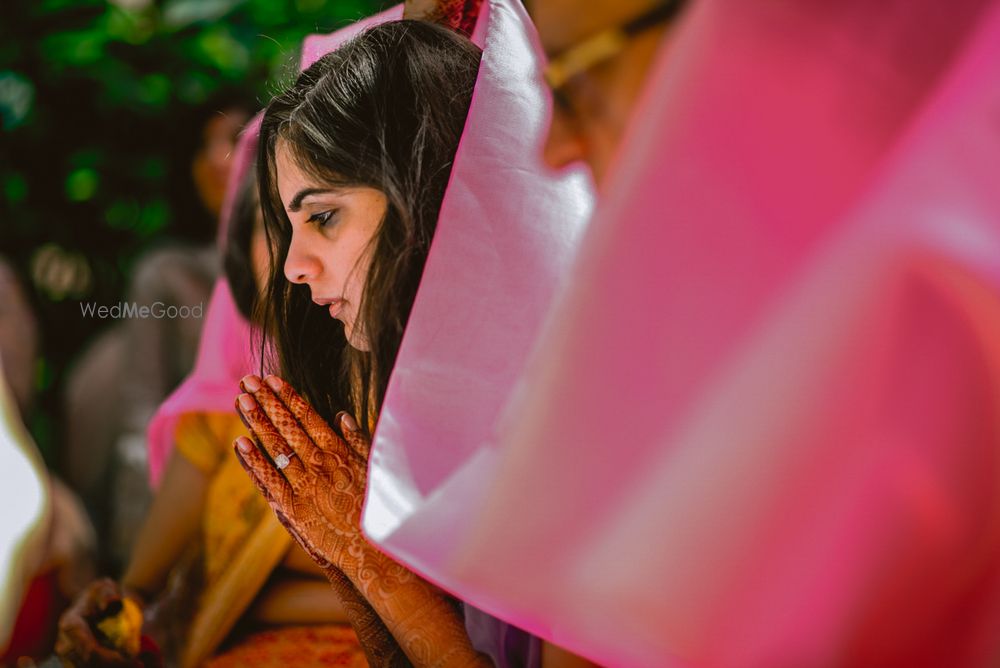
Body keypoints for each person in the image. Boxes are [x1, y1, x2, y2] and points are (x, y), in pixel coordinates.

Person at [234, 12, 598, 666]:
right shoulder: (436, 411)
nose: (293, 268)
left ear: (430, 196)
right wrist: (345, 559)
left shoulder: (586, 425)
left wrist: (372, 563)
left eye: (323, 217)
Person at [55, 126, 365, 668]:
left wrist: (250, 603)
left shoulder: (387, 409)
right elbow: (140, 593)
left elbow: (426, 600)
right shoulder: (225, 418)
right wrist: (116, 613)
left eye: (323, 218)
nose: (299, 256)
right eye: (273, 225)